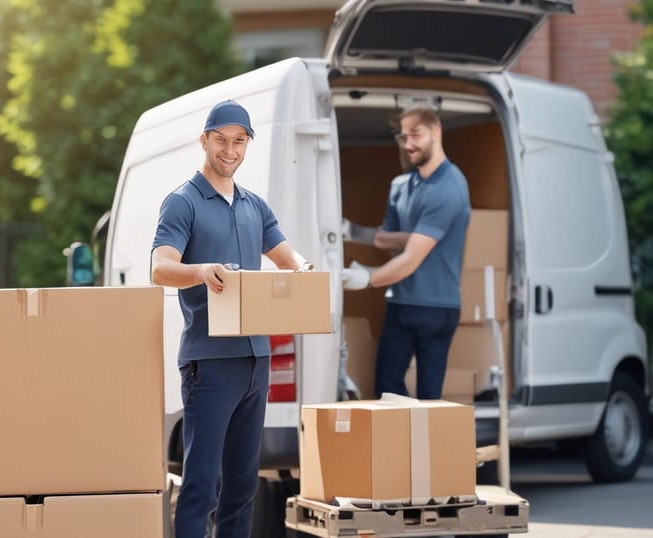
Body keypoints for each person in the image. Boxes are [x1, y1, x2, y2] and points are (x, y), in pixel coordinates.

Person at [150, 100, 312, 538]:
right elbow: (160, 268)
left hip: (255, 360)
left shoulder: (254, 206)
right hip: (210, 363)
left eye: (239, 141)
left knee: (243, 486)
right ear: (204, 140)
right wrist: (202, 271)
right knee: (203, 484)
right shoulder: (182, 203)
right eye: (221, 139)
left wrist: (303, 269)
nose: (230, 149)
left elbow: (286, 255)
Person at [342, 106, 471, 400]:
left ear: (436, 132)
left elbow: (412, 257)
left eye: (416, 134)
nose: (408, 144)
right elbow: (398, 239)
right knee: (387, 389)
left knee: (429, 398)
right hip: (400, 302)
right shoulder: (401, 186)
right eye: (402, 137)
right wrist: (354, 231)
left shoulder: (448, 188)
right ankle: (398, 446)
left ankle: (427, 446)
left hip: (435, 308)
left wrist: (368, 278)